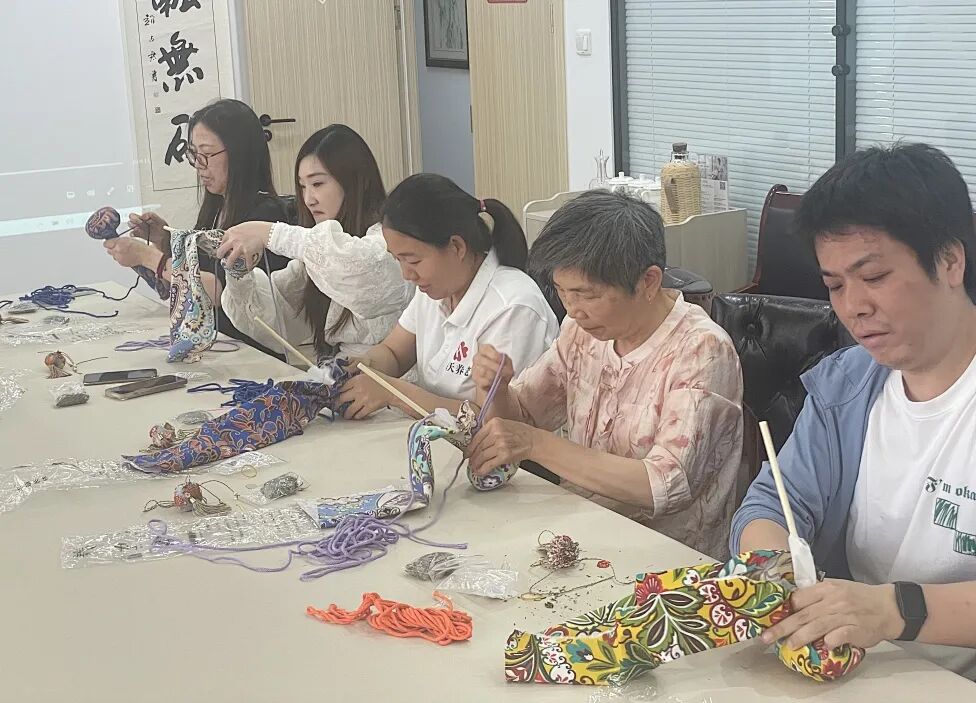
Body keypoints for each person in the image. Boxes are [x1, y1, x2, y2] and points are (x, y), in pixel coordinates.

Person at [730, 143, 976, 679]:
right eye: (835, 286)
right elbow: (775, 503)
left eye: (875, 276)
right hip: (853, 671)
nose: (853, 307)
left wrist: (894, 610)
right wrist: (776, 570)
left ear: (950, 261)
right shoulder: (846, 386)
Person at [465, 190, 743, 559]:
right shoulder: (582, 331)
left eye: (587, 295)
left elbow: (665, 484)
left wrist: (536, 444)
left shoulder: (701, 350)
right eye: (563, 293)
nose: (573, 310)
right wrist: (496, 389)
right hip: (578, 536)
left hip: (668, 560)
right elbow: (524, 416)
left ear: (648, 281)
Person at [336, 173, 559, 419]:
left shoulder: (513, 307)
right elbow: (394, 353)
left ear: (456, 247)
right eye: (397, 260)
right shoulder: (436, 289)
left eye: (413, 261)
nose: (406, 274)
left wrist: (394, 393)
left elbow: (493, 421)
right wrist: (365, 365)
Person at [213, 125, 412, 365]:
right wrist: (239, 273)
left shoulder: (387, 239)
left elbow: (362, 271)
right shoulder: (315, 256)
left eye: (317, 184)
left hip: (391, 379)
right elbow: (276, 319)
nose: (308, 199)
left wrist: (271, 233)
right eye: (302, 186)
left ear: (354, 182)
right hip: (343, 373)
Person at [102, 99, 289, 353]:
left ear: (240, 153)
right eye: (193, 154)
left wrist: (150, 258)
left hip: (253, 352)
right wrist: (164, 241)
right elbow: (198, 272)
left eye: (207, 154)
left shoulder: (264, 214)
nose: (199, 165)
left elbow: (219, 290)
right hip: (219, 345)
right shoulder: (218, 207)